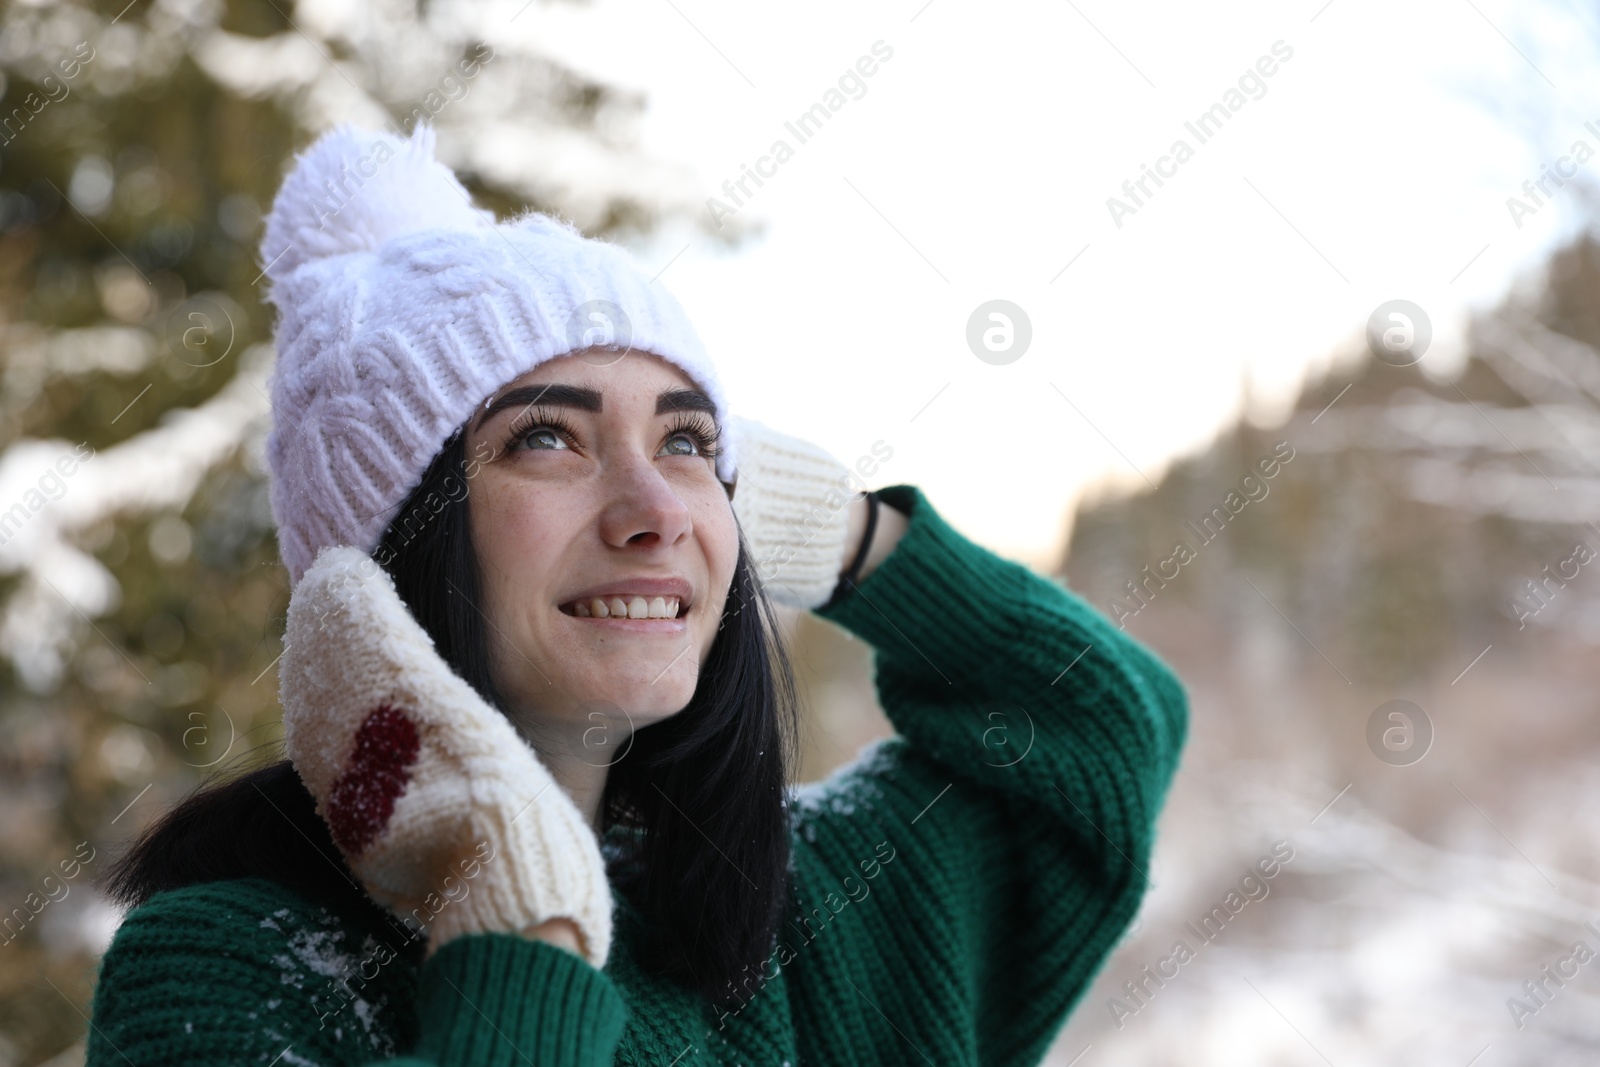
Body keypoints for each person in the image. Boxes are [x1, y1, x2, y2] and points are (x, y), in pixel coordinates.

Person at [86, 123, 1189, 1066]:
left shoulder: (794, 913)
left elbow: (1091, 732)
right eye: (547, 436)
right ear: (373, 572)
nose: (654, 506)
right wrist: (519, 923)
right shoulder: (235, 966)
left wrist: (839, 532)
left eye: (689, 441)